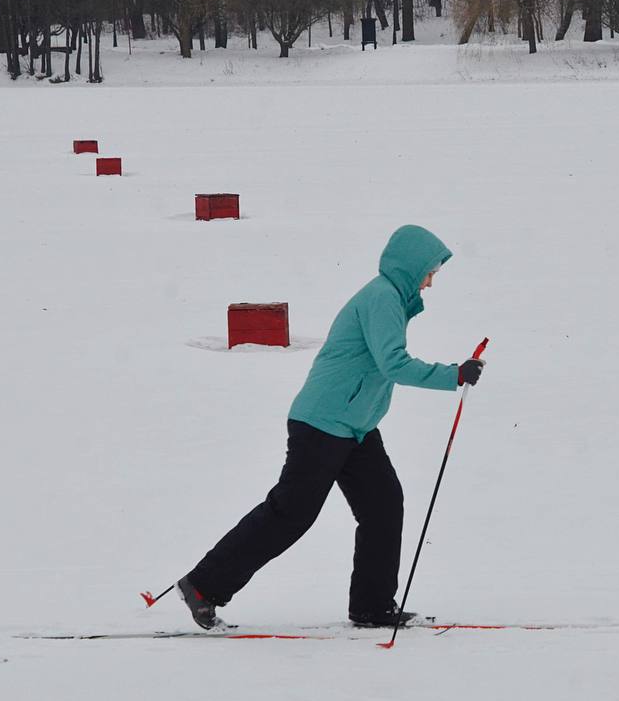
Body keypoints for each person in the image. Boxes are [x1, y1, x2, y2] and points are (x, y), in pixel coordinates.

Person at [177, 225, 486, 630]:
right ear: (411, 267)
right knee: (290, 513)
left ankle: (372, 606)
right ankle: (202, 585)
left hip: (355, 428)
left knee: (383, 507)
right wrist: (453, 376)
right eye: (429, 271)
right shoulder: (382, 299)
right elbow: (393, 362)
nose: (430, 281)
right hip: (322, 423)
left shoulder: (391, 299)